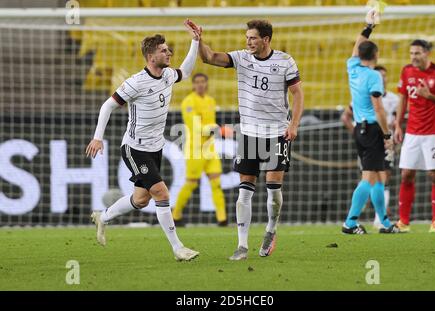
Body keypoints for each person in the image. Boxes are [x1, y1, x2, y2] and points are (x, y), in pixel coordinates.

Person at [186, 19, 304, 260]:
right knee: (245, 191)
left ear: (266, 39)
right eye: (247, 37)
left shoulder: (285, 61)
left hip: (276, 132)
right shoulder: (241, 57)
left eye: (252, 38)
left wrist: (293, 125)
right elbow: (209, 57)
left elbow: (298, 94)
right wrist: (198, 40)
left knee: (273, 190)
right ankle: (241, 246)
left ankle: (271, 230)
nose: (247, 41)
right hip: (249, 132)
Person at [85, 20, 201, 261]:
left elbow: (187, 71)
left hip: (156, 147)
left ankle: (103, 217)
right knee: (161, 192)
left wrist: (195, 41)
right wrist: (98, 138)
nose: (168, 53)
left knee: (141, 199)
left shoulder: (168, 75)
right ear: (150, 56)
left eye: (168, 49)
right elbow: (107, 106)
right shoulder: (136, 82)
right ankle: (178, 248)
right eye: (163, 50)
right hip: (134, 148)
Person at [342, 9, 399, 234]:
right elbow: (379, 108)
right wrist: (386, 135)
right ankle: (350, 222)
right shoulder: (374, 76)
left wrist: (369, 27)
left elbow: (358, 45)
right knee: (369, 177)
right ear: (375, 55)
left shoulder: (352, 67)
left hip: (359, 128)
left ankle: (384, 222)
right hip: (373, 128)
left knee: (377, 177)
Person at [394, 39, 435, 233]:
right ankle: (403, 222)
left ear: (427, 53)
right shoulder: (406, 71)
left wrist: (430, 96)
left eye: (417, 53)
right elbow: (402, 98)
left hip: (434, 133)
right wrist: (398, 125)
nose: (413, 57)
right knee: (407, 174)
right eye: (411, 53)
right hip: (412, 133)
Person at [172, 73, 227, 227]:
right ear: (193, 85)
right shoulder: (188, 102)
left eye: (203, 81)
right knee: (191, 183)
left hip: (210, 148)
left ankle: (222, 219)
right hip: (195, 149)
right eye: (197, 82)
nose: (201, 85)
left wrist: (215, 130)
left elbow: (211, 126)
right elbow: (195, 128)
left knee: (216, 183)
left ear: (207, 83)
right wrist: (215, 128)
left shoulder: (210, 101)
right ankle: (175, 214)